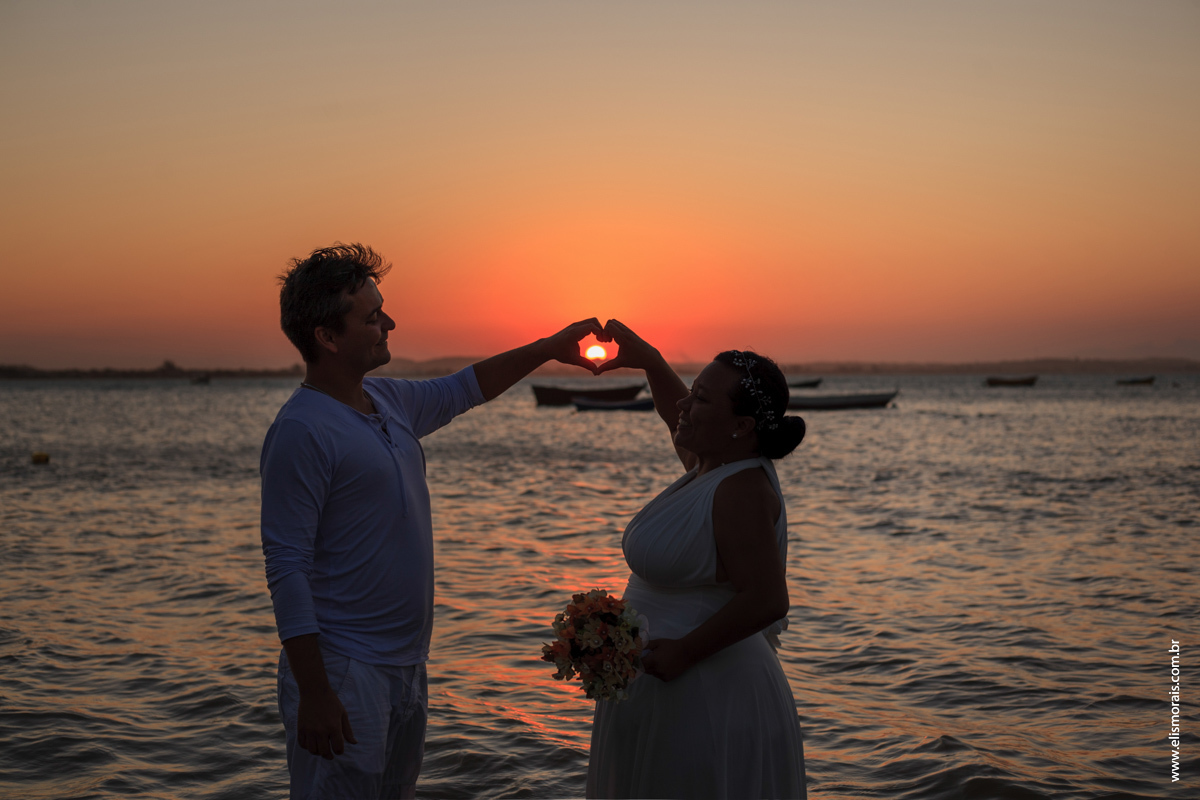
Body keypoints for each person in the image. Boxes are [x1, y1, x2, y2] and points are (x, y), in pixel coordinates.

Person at [260, 243, 602, 799]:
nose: (389, 324)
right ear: (327, 337)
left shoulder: (387, 401)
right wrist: (316, 691)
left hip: (407, 667)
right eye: (372, 317)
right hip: (344, 671)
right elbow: (286, 565)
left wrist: (549, 348)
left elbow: (467, 387)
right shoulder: (303, 430)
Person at [586, 319, 808, 799]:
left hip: (708, 689)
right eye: (691, 390)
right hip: (661, 683)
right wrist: (649, 360)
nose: (684, 404)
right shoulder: (709, 467)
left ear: (742, 426)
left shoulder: (742, 489)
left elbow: (768, 599)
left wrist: (686, 652)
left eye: (701, 399)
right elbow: (675, 417)